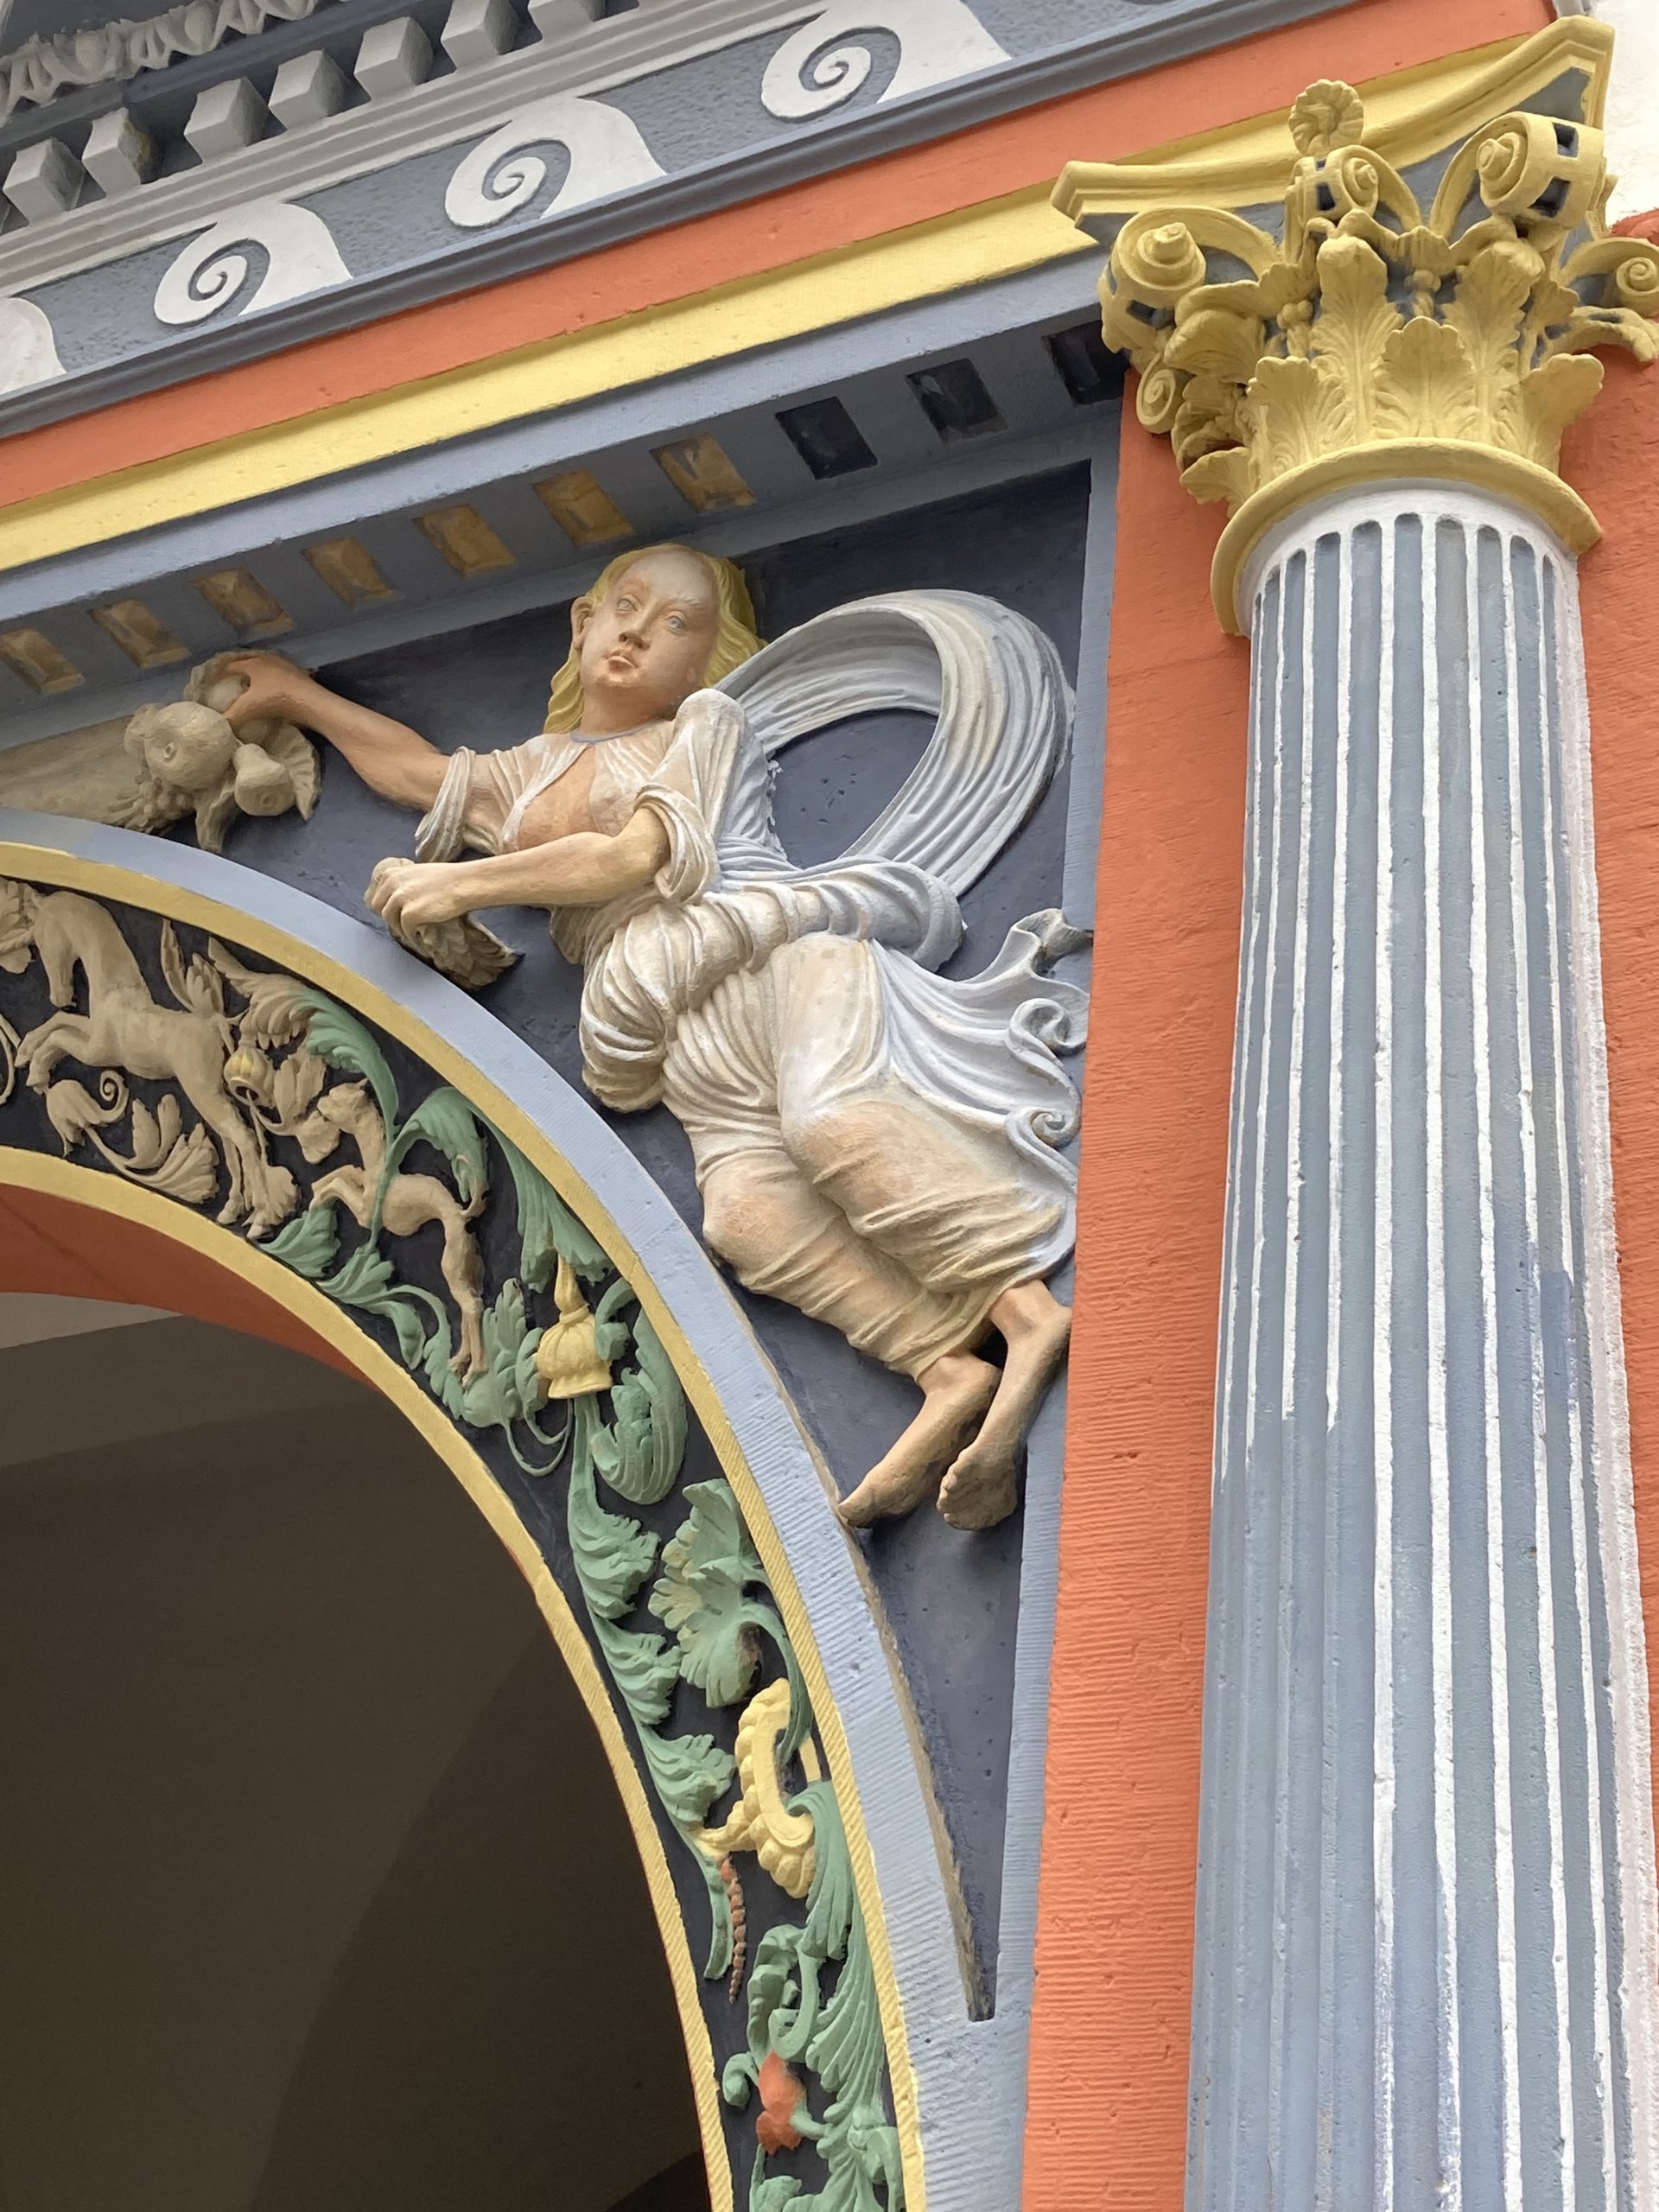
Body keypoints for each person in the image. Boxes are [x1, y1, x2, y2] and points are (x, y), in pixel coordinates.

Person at [226, 543, 1075, 1531]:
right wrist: (298, 698)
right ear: (580, 621)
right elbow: (416, 771)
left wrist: (462, 883)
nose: (635, 631)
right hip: (676, 1031)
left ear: (708, 660)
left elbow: (629, 857)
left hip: (770, 965)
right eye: (622, 607)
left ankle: (1029, 1320)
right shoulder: (529, 775)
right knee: (748, 1220)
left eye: (674, 624)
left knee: (834, 1124)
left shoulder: (706, 727)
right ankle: (946, 1374)